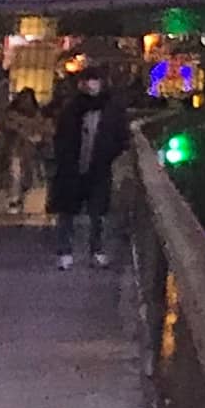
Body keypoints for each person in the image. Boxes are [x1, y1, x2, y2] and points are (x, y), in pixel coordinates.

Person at [49, 68, 132, 268]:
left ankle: (96, 250)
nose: (91, 85)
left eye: (94, 80)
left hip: (99, 167)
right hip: (72, 167)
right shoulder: (71, 109)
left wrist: (110, 153)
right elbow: (60, 137)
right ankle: (65, 252)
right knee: (68, 211)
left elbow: (121, 136)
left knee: (98, 213)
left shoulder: (111, 109)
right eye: (88, 81)